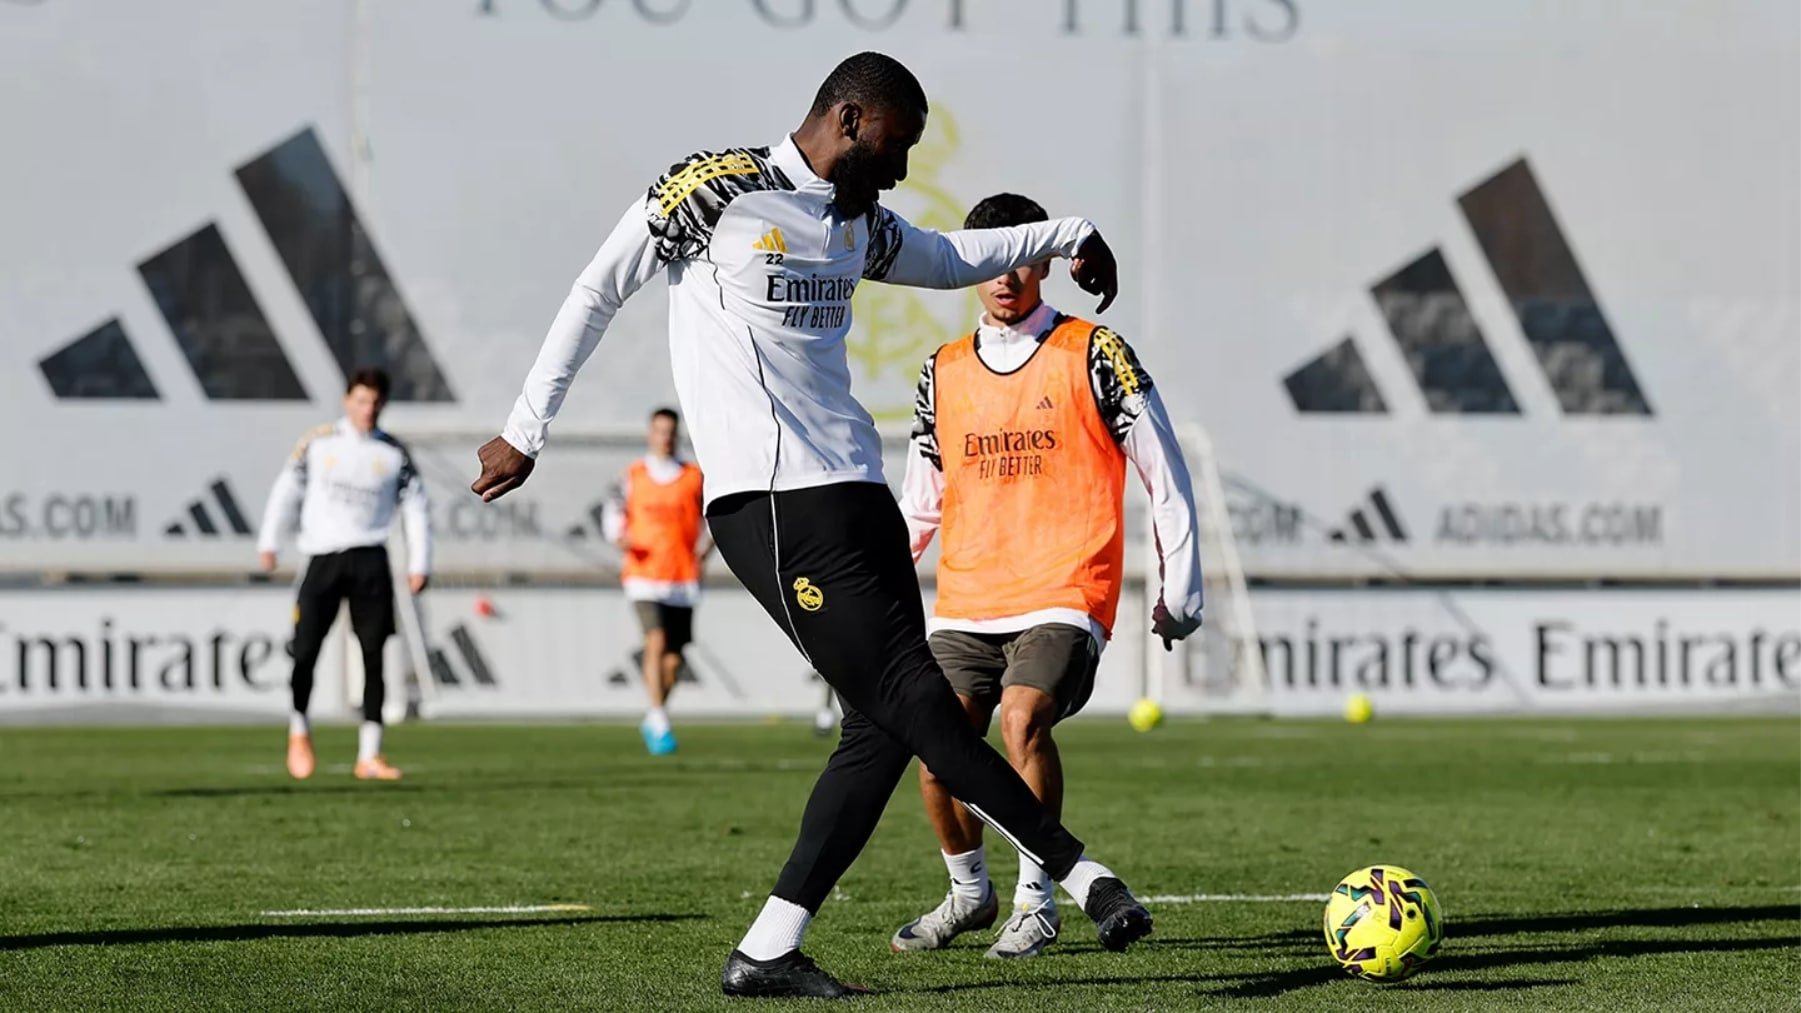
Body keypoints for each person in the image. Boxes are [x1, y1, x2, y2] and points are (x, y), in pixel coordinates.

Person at [470, 52, 1152, 999]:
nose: (902, 171)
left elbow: (950, 257)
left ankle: (768, 949)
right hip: (771, 504)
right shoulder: (715, 191)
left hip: (857, 494)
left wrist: (1071, 232)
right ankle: (1082, 873)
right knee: (916, 697)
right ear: (849, 119)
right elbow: (597, 289)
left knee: (879, 729)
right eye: (896, 147)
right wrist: (525, 428)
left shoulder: (856, 223)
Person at [891, 193, 1203, 960]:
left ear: (1044, 263)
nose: (1006, 276)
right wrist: (870, 592)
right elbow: (919, 500)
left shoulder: (1094, 351)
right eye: (991, 260)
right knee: (936, 751)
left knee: (1021, 719)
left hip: (1065, 589)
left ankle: (1037, 900)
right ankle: (969, 891)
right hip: (967, 597)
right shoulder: (941, 369)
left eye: (1021, 258)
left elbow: (1162, 466)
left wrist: (1180, 588)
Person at [257, 368, 431, 782]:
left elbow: (417, 507)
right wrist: (269, 540)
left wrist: (420, 562)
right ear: (347, 401)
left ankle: (370, 753)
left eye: (375, 403)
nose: (367, 410)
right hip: (323, 557)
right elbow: (286, 490)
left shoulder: (394, 454)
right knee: (305, 651)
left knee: (374, 655)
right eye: (361, 401)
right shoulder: (319, 443)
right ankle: (299, 728)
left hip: (370, 558)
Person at [601, 407, 709, 755]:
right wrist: (618, 537)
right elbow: (613, 511)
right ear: (650, 434)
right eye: (659, 431)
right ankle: (660, 717)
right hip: (643, 574)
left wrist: (705, 552)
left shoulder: (693, 477)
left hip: (682, 577)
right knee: (655, 638)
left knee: (674, 661)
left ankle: (654, 713)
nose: (665, 438)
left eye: (670, 432)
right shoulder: (633, 475)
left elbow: (711, 519)